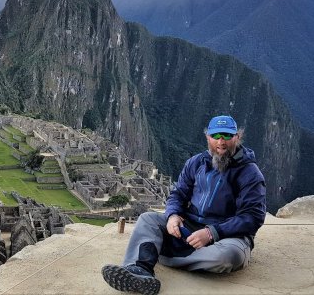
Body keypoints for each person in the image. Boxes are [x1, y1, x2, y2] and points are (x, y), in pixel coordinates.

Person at [102, 115, 267, 295]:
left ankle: (155, 254)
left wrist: (212, 233)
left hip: (227, 235)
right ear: (208, 137)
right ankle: (139, 269)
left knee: (228, 257)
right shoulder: (196, 163)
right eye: (216, 136)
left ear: (237, 137)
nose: (221, 142)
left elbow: (252, 217)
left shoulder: (250, 173)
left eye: (227, 136)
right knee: (148, 220)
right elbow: (178, 194)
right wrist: (173, 215)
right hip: (189, 226)